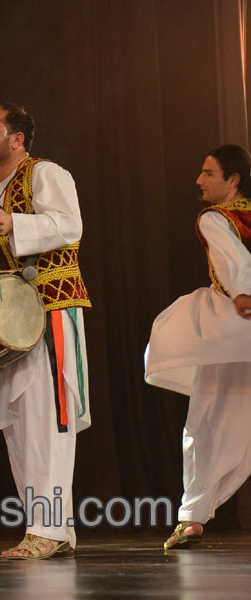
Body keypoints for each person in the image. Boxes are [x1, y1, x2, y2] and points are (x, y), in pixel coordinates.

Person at [0, 103, 91, 559]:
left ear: (16, 138)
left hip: (51, 309)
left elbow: (70, 225)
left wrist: (15, 223)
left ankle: (50, 527)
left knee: (47, 416)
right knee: (18, 421)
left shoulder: (45, 173)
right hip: (12, 321)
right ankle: (47, 529)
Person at [145, 144, 251, 550]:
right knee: (224, 420)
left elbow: (233, 264)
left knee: (207, 418)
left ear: (233, 180)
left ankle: (192, 515)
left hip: (230, 328)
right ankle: (193, 513)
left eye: (208, 172)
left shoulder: (214, 217)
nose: (199, 180)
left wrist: (242, 294)